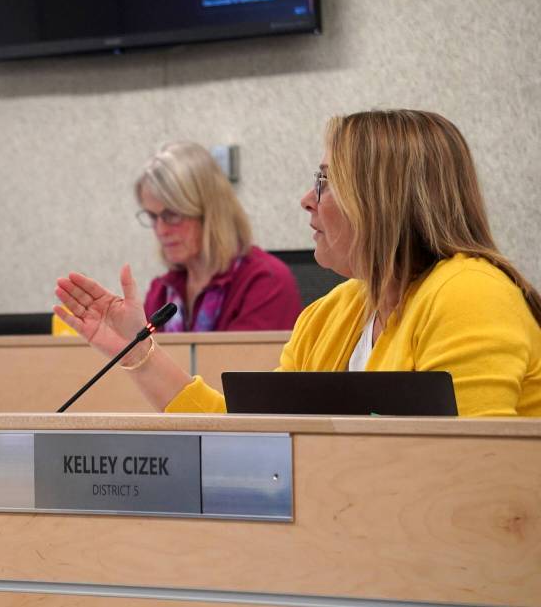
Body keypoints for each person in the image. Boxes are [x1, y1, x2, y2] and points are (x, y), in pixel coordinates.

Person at [56, 110, 541, 417]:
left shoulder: (470, 293)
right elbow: (253, 438)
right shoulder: (332, 312)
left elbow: (472, 475)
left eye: (325, 181)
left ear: (384, 198)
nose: (307, 199)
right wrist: (138, 353)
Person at [135, 141, 301, 331]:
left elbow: (243, 361)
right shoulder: (162, 292)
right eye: (152, 216)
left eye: (172, 215)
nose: (161, 230)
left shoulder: (266, 282)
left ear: (211, 213)